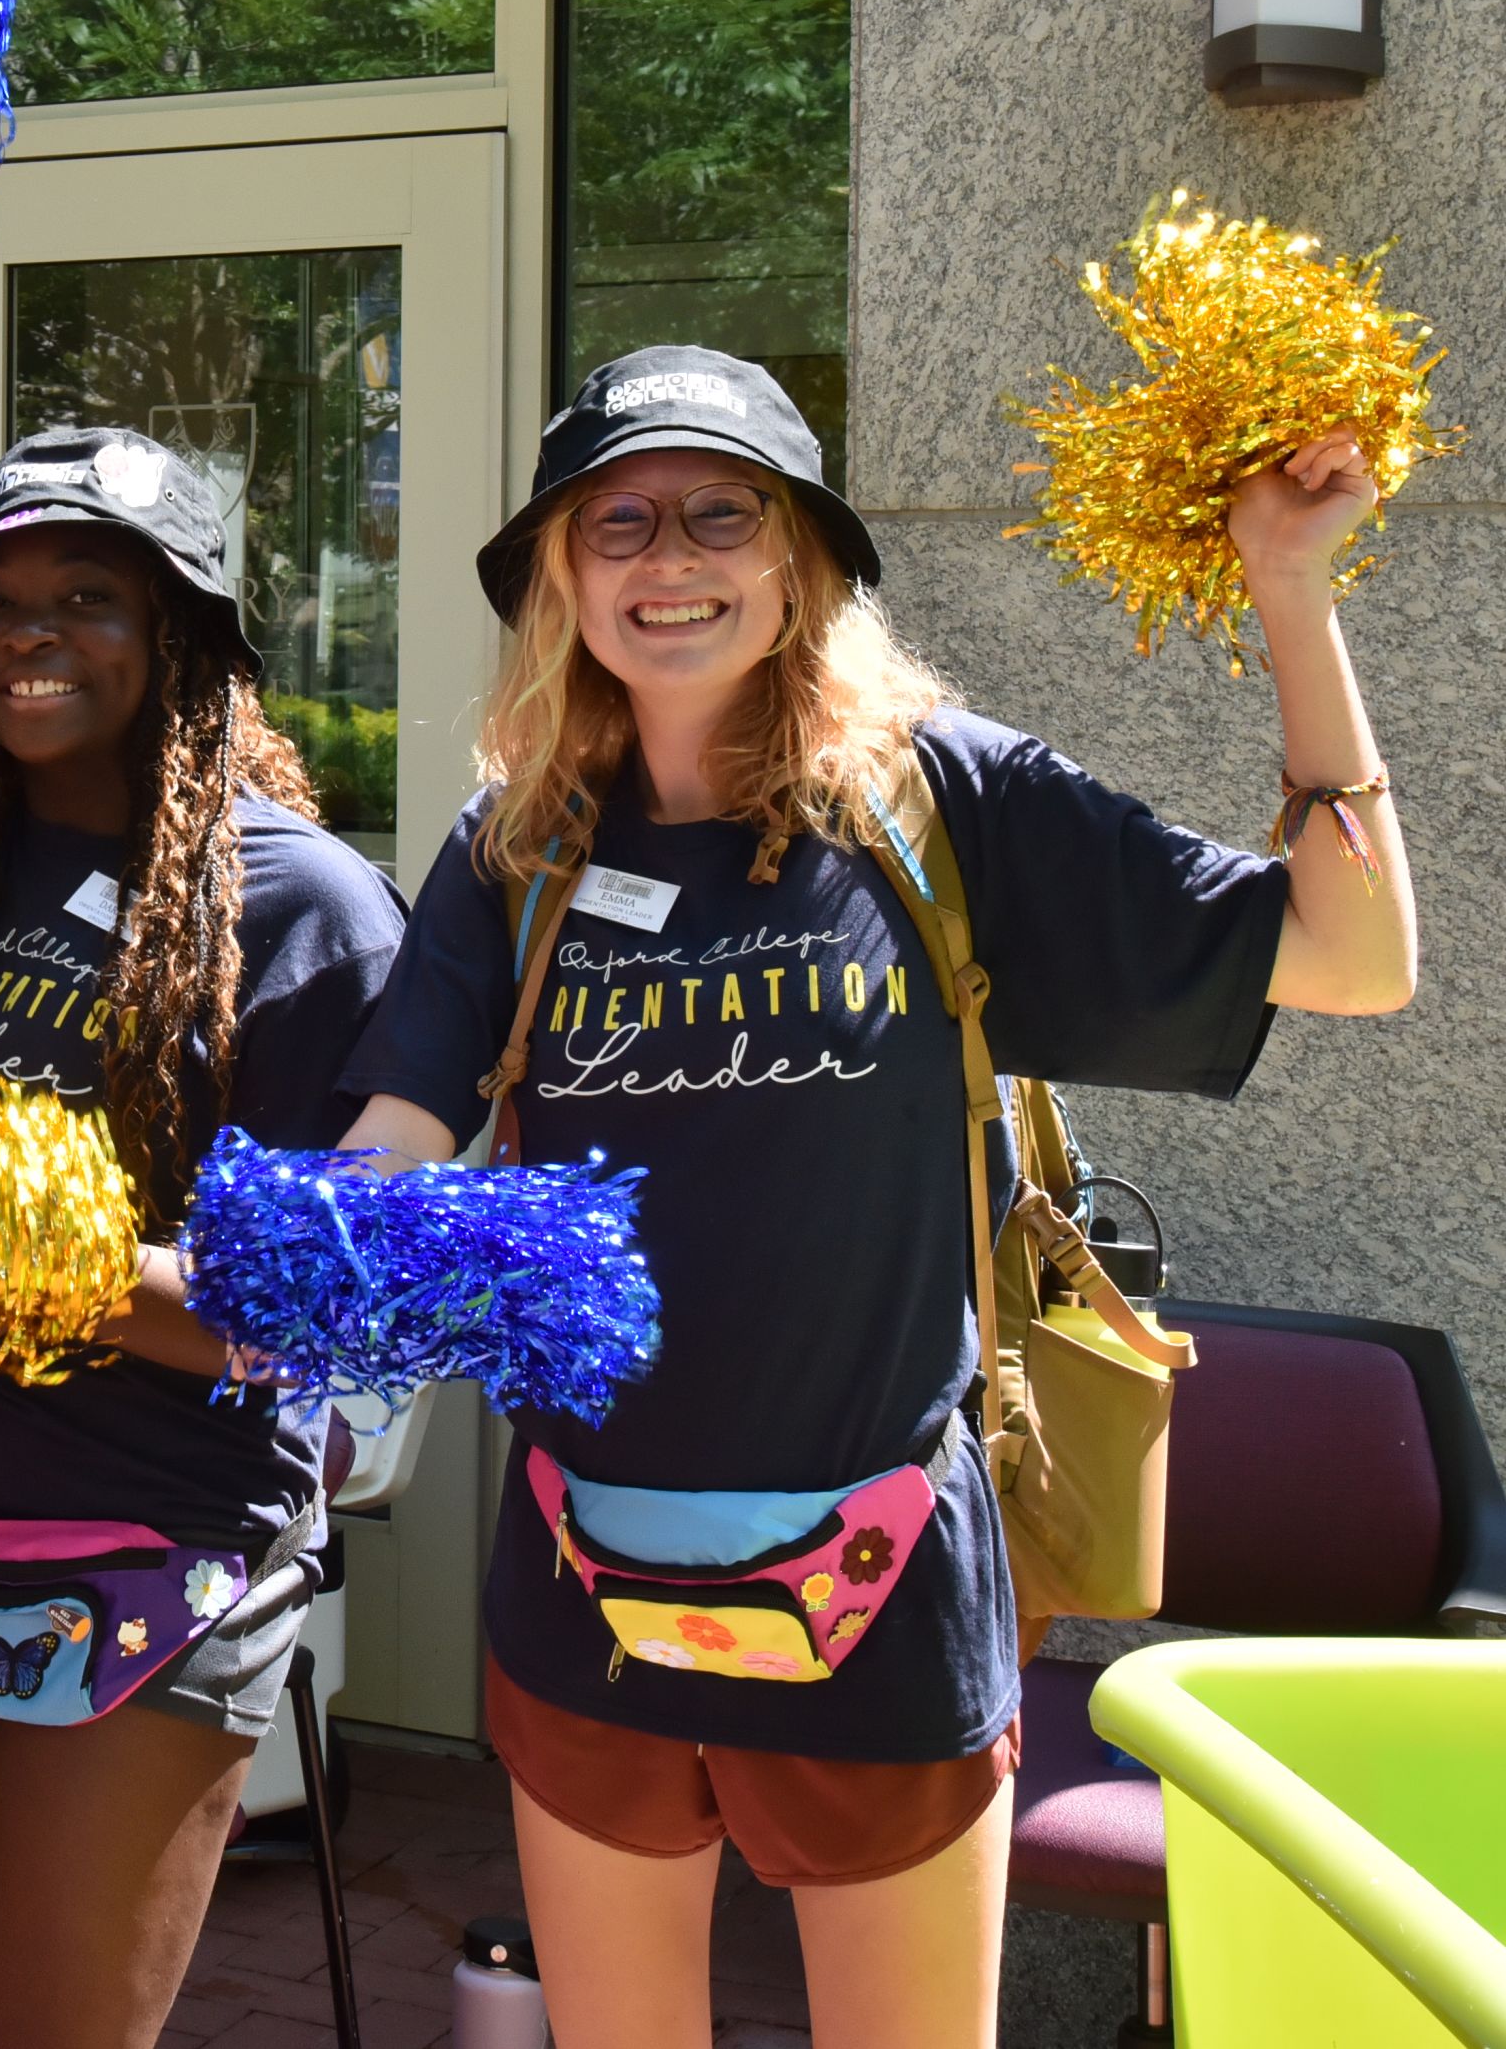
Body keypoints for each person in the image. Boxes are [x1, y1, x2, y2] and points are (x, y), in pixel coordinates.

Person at [332, 346, 1417, 2049]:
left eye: (719, 513)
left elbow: (1353, 957)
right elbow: (401, 1128)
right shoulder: (516, 843)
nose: (666, 559)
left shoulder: (936, 798)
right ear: (560, 570)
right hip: (579, 1570)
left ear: (797, 560)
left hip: (884, 1576)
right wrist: (305, 1243)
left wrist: (1290, 587)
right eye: (616, 522)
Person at [0, 256, 407, 2049]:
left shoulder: (304, 910)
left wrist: (26, 1262)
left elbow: (315, 1326)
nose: (30, 633)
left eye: (92, 595)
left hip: (166, 1555)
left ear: (188, 638)